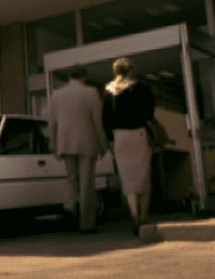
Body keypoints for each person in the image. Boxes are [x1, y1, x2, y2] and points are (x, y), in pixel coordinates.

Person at [48, 65, 109, 233]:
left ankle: (69, 206)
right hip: (86, 144)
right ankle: (87, 224)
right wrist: (103, 144)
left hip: (65, 143)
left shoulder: (57, 94)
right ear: (84, 77)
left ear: (69, 77)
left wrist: (54, 145)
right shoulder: (91, 93)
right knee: (86, 182)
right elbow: (97, 122)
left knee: (72, 178)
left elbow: (52, 124)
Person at [103, 57, 157, 235]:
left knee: (127, 177)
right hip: (138, 134)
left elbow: (105, 119)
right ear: (131, 70)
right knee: (143, 175)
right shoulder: (141, 88)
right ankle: (144, 215)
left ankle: (134, 214)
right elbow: (149, 112)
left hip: (119, 137)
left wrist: (110, 140)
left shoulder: (109, 90)